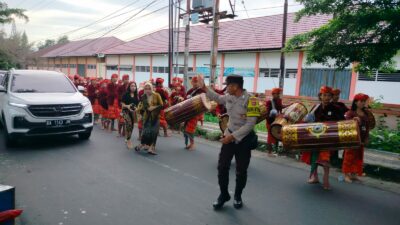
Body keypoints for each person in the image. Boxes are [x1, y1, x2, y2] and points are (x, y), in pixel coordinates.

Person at [198, 74, 259, 210]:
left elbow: (250, 124)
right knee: (222, 167)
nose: (226, 89)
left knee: (241, 171)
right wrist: (203, 87)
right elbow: (218, 98)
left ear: (235, 86)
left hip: (244, 140)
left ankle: (238, 196)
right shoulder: (229, 97)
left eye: (228, 86)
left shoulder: (252, 101)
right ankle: (224, 194)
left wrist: (231, 137)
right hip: (229, 135)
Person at [302, 86, 344, 190]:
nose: (326, 97)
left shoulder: (336, 108)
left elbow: (342, 122)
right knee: (314, 157)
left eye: (329, 95)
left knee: (326, 160)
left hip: (329, 138)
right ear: (320, 96)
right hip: (316, 137)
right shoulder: (315, 107)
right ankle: (314, 177)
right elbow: (308, 121)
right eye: (324, 95)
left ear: (331, 97)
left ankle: (326, 180)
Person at [342, 93, 372, 183]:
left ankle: (354, 174)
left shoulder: (365, 113)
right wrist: (353, 121)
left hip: (361, 138)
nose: (363, 103)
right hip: (351, 138)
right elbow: (345, 124)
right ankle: (346, 174)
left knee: (358, 157)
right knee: (349, 156)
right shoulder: (350, 113)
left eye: (364, 101)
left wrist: (367, 137)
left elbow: (367, 126)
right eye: (361, 101)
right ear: (355, 102)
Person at [135, 82, 163, 155]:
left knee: (154, 132)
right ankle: (143, 144)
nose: (148, 90)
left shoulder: (156, 95)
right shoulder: (143, 96)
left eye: (149, 88)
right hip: (146, 117)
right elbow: (142, 107)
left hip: (155, 116)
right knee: (146, 132)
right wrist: (139, 112)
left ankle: (151, 147)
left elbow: (161, 105)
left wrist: (153, 107)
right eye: (146, 89)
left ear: (152, 88)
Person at [183, 76, 205, 150]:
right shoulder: (190, 91)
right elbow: (185, 101)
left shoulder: (202, 91)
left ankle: (192, 144)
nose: (195, 83)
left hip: (196, 113)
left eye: (197, 82)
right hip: (188, 112)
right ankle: (190, 143)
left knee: (190, 129)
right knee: (186, 129)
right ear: (191, 82)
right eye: (194, 82)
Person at [265, 88, 283, 157]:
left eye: (279, 94)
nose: (278, 95)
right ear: (273, 94)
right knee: (270, 136)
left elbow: (281, 107)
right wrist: (275, 114)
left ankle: (275, 151)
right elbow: (267, 112)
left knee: (276, 135)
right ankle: (269, 152)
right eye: (277, 94)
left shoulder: (278, 101)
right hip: (270, 121)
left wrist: (290, 105)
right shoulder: (269, 102)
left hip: (276, 121)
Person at [121, 82, 139, 149]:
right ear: (129, 87)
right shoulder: (126, 94)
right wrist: (128, 106)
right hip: (126, 111)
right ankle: (128, 140)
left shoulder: (136, 95)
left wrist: (136, 108)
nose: (133, 87)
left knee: (132, 126)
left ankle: (128, 137)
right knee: (129, 124)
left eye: (134, 86)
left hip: (133, 112)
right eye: (132, 86)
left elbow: (138, 104)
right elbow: (122, 104)